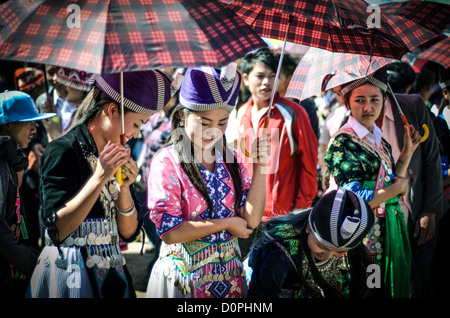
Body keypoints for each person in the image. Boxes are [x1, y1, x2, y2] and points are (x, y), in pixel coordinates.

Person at [27, 70, 173, 298]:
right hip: (70, 276)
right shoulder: (62, 150)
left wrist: (124, 188)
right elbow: (57, 230)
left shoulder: (115, 153)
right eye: (136, 123)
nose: (136, 133)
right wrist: (100, 177)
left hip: (113, 274)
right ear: (112, 110)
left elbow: (128, 233)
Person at [145, 64, 270, 298]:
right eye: (204, 122)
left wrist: (261, 166)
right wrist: (226, 224)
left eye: (222, 122)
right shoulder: (167, 161)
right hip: (184, 280)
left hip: (229, 277)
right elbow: (170, 232)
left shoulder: (231, 159)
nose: (213, 131)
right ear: (182, 116)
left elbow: (250, 220)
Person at [324, 69, 422, 298]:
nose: (368, 107)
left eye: (375, 99)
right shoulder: (343, 142)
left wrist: (407, 153)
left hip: (384, 234)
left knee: (379, 289)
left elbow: (388, 177)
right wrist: (397, 189)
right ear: (347, 102)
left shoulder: (378, 138)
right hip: (359, 238)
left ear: (384, 101)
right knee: (364, 290)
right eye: (360, 100)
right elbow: (354, 199)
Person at [233, 47, 318, 257]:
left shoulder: (294, 112)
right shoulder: (241, 112)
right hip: (245, 215)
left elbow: (309, 166)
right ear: (245, 78)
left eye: (273, 76)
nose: (267, 82)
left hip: (282, 218)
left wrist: (299, 214)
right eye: (260, 76)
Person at [375, 66, 448, 298]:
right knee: (382, 286)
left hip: (418, 217)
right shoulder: (351, 126)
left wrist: (430, 212)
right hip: (380, 225)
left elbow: (431, 160)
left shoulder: (412, 106)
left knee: (418, 284)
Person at [247, 188, 383, 298]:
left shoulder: (350, 243)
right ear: (308, 228)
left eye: (339, 252)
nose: (328, 256)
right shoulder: (278, 250)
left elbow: (374, 281)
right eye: (322, 247)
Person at [0, 90, 57, 297]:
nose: (34, 129)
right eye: (28, 122)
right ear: (8, 124)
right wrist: (35, 264)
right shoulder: (2, 166)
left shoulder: (12, 162)